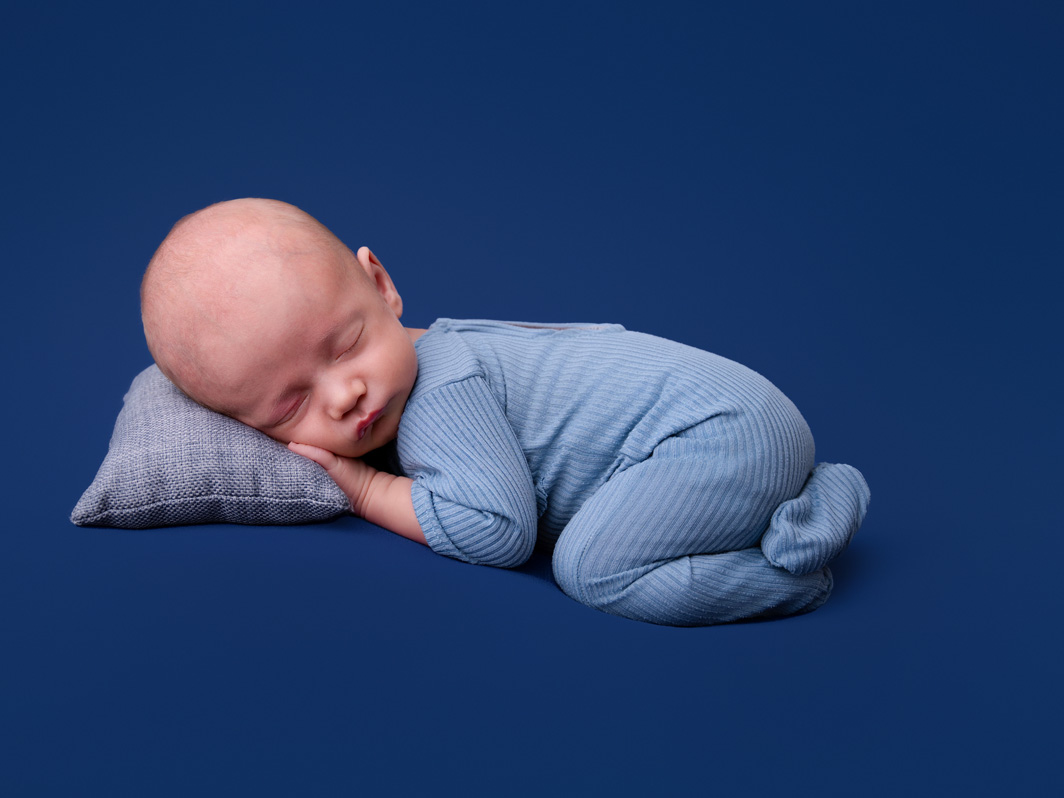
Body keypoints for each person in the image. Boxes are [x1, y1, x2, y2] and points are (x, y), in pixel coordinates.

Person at [141, 198, 870, 626]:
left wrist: (365, 490)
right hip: (750, 413)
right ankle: (815, 488)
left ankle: (795, 573)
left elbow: (499, 530)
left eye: (346, 345)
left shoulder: (440, 395)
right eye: (292, 404)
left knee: (593, 569)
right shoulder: (441, 349)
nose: (344, 396)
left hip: (709, 437)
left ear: (382, 285)